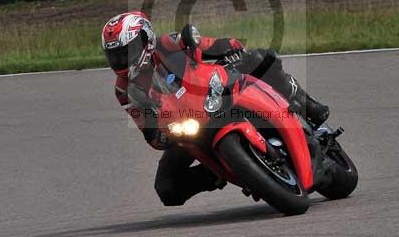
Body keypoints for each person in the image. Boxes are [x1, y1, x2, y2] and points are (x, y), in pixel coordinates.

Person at [102, 11, 329, 206]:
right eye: (115, 55)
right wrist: (160, 136)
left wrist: (232, 49)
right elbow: (146, 127)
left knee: (261, 58)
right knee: (166, 188)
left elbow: (212, 44)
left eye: (127, 51)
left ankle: (307, 105)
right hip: (186, 126)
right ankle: (221, 171)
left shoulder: (168, 43)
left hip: (214, 90)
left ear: (146, 40)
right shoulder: (124, 90)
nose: (121, 60)